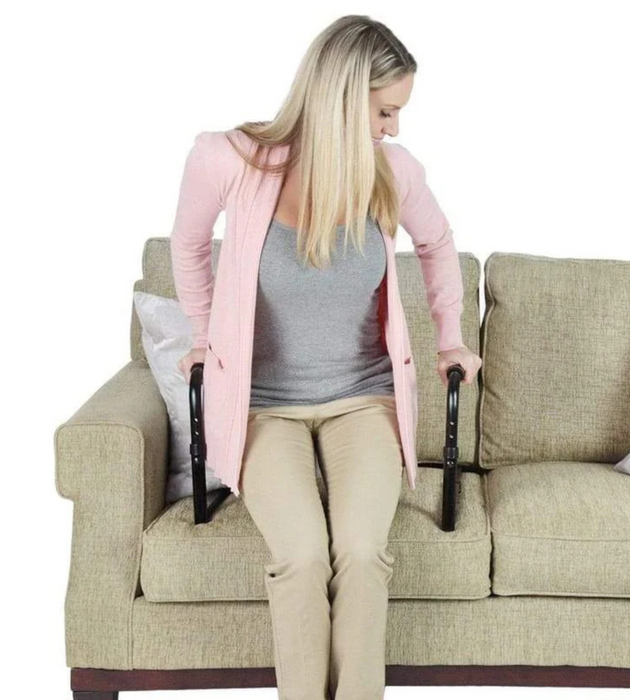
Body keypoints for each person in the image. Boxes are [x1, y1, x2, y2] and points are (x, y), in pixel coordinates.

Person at [172, 14, 481, 700]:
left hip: (360, 401)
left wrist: (452, 334)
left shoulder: (392, 173)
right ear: (344, 96)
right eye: (385, 110)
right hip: (263, 410)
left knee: (363, 555)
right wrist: (201, 334)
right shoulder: (229, 160)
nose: (394, 128)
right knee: (303, 557)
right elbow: (188, 243)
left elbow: (437, 243)